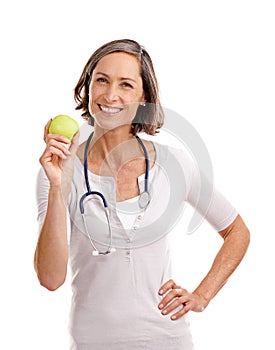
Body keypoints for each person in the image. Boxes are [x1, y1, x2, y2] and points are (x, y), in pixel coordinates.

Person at [34, 39, 250, 350]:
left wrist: (202, 295)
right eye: (102, 80)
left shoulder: (173, 164)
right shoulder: (58, 168)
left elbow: (237, 231)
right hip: (92, 341)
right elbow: (50, 278)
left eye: (126, 85)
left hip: (168, 340)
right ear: (88, 86)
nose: (110, 95)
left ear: (143, 98)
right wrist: (58, 183)